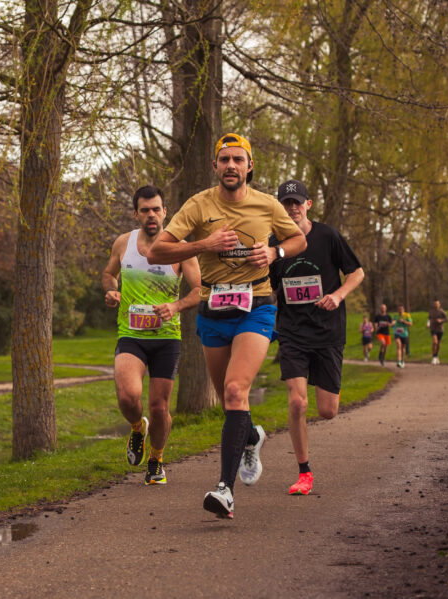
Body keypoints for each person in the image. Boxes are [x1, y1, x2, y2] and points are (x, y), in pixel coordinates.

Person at [147, 133, 306, 518]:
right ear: (215, 166)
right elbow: (158, 249)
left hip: (257, 304)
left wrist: (274, 251)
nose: (231, 166)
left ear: (249, 166)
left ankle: (224, 490)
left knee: (236, 392)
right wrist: (205, 245)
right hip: (213, 309)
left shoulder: (267, 205)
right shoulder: (199, 205)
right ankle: (251, 437)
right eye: (224, 160)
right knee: (228, 402)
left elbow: (298, 239)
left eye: (238, 160)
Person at [269, 179, 364, 496]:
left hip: (327, 330)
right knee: (297, 402)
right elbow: (269, 287)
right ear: (279, 208)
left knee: (327, 411)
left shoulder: (328, 236)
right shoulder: (274, 244)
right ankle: (304, 472)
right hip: (293, 331)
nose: (292, 208)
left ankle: (328, 384)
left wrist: (337, 295)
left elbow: (357, 272)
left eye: (297, 202)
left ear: (308, 204)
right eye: (286, 203)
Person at [102, 186, 202, 485]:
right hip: (131, 334)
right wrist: (110, 289)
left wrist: (176, 305)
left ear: (165, 212)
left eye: (156, 209)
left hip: (166, 338)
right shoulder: (124, 243)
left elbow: (200, 290)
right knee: (127, 395)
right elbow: (109, 273)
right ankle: (136, 428)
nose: (151, 215)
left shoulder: (181, 247)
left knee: (160, 408)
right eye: (145, 210)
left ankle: (156, 459)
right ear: (136, 214)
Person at [427, 299, 448, 364]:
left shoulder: (442, 311)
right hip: (433, 328)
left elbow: (447, 319)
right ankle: (434, 357)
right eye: (434, 304)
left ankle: (436, 355)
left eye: (437, 304)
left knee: (438, 343)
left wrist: (441, 320)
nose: (436, 305)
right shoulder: (431, 311)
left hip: (440, 329)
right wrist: (428, 324)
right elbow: (429, 318)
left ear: (439, 304)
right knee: (435, 342)